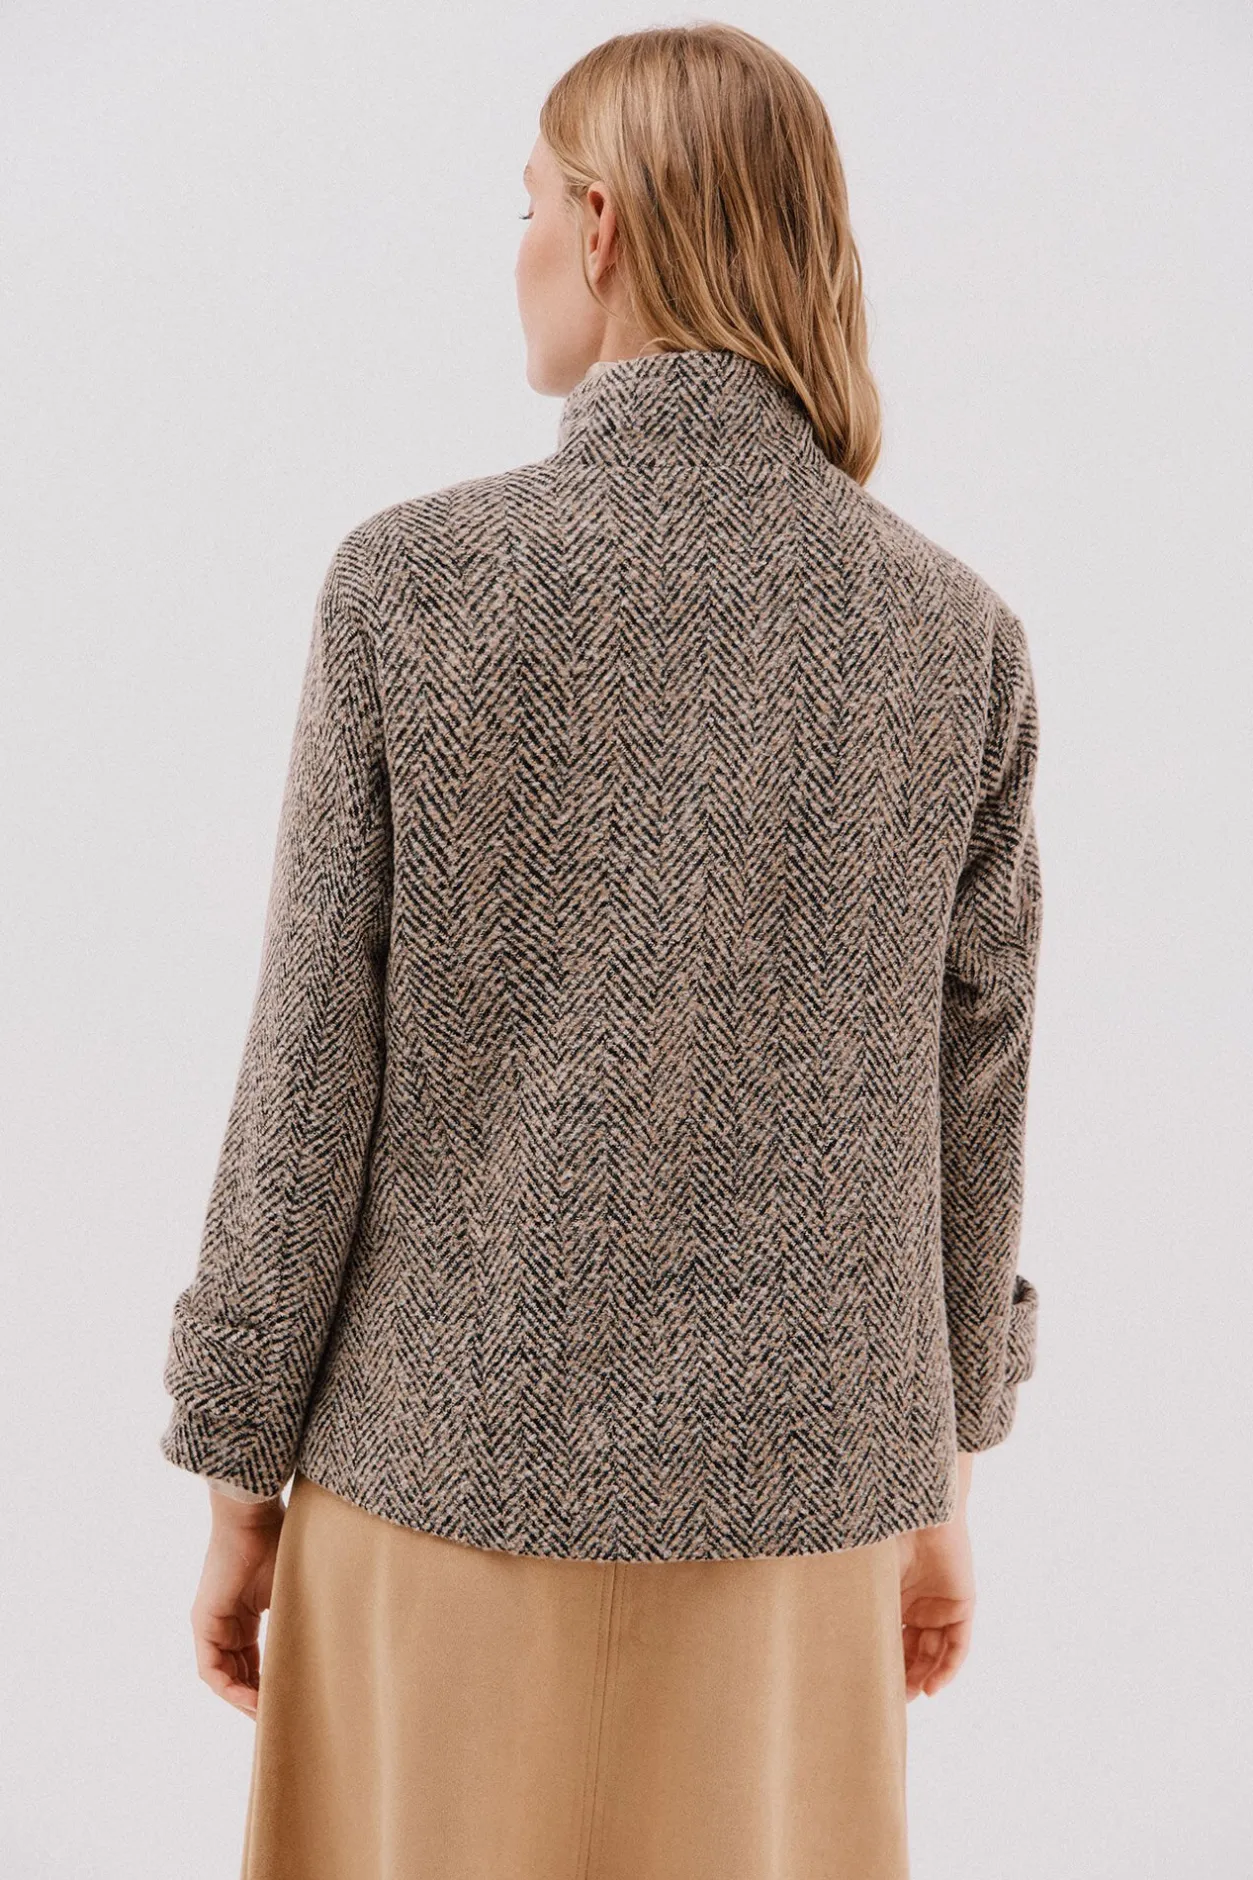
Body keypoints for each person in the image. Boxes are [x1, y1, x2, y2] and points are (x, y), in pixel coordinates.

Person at [159, 23, 1044, 1880]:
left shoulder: (413, 587)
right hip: (803, 1517)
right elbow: (969, 1099)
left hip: (437, 1487)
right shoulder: (949, 634)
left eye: (525, 207)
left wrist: (239, 1471)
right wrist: (944, 1467)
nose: (519, 250)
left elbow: (312, 1072)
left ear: (603, 226)